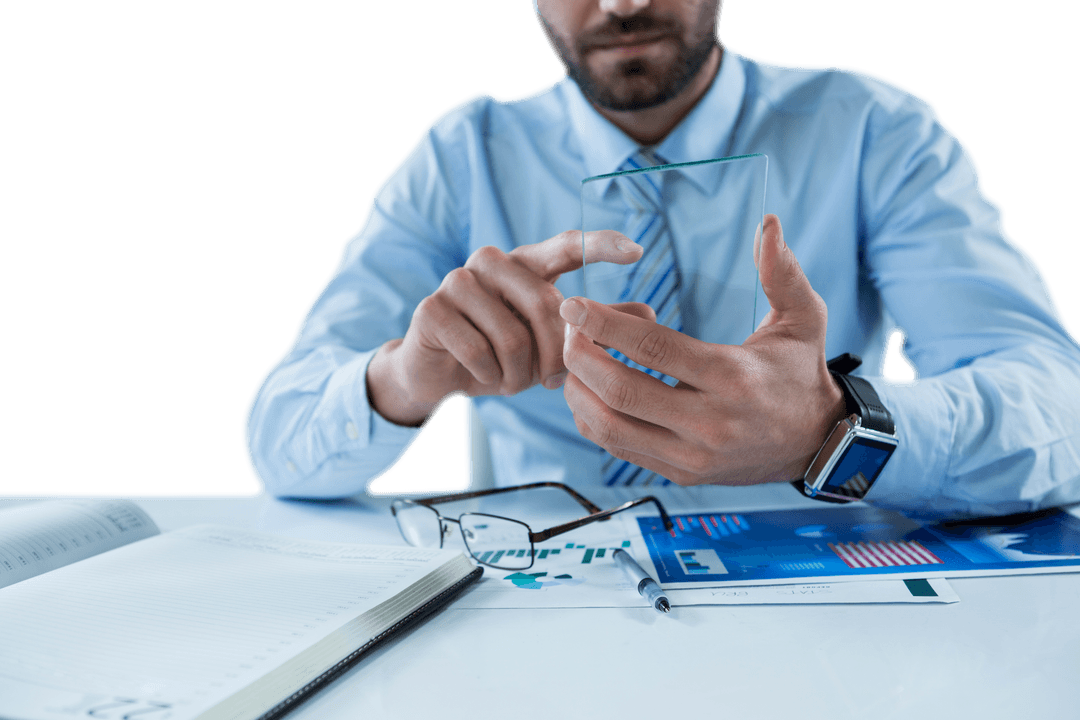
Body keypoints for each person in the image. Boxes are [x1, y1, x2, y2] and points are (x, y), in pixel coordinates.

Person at [241, 0, 1080, 519]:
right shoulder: (465, 154)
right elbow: (279, 439)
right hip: (545, 615)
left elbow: (1060, 411)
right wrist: (404, 377)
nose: (623, 1)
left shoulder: (872, 130)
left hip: (827, 614)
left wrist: (836, 432)